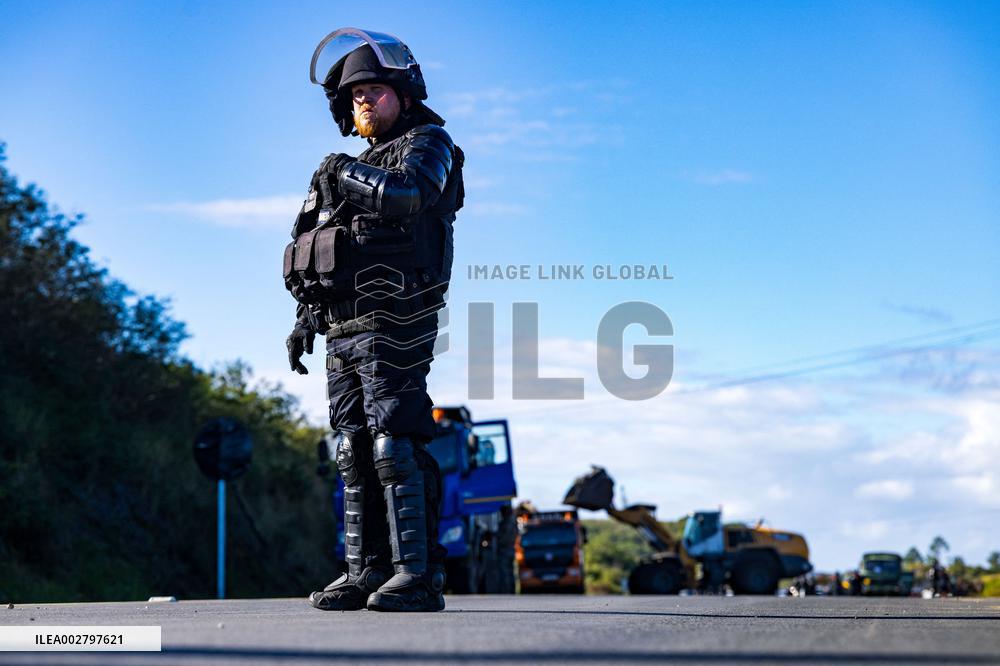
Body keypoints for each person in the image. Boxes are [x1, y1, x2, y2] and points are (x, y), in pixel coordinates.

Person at [283, 28, 464, 612]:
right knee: (352, 448)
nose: (364, 100)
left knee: (396, 442)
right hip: (342, 327)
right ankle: (365, 571)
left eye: (375, 89)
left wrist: (343, 174)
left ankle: (418, 574)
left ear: (403, 93)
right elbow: (321, 248)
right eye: (355, 93)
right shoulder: (346, 169)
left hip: (398, 317)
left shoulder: (429, 143)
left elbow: (409, 195)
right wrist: (305, 317)